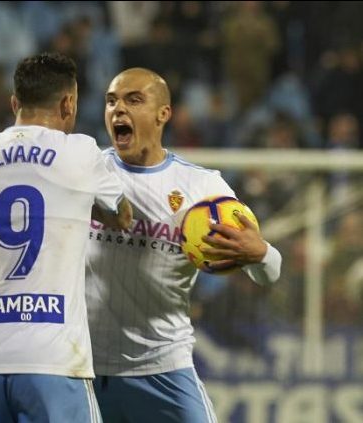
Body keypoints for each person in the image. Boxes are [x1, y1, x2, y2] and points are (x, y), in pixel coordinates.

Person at [0, 52, 132, 423]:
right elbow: (123, 216)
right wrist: (79, 207)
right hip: (52, 357)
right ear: (68, 103)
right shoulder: (80, 151)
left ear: (15, 103)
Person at [85, 67, 283, 423]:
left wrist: (262, 254)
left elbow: (268, 274)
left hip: (163, 366)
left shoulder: (203, 188)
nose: (118, 110)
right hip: (84, 367)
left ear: (164, 114)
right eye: (111, 101)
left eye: (134, 100)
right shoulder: (85, 172)